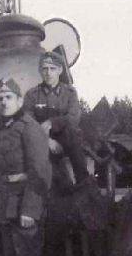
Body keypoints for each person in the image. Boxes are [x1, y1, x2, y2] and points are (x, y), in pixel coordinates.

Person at [0, 77, 52, 256]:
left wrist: (30, 209)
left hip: (26, 204)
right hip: (8, 204)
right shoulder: (2, 129)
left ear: (19, 101)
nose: (4, 102)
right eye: (0, 98)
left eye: (8, 97)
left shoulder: (29, 127)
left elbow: (40, 171)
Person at [24, 51, 89, 189]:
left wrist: (51, 123)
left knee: (74, 135)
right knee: (56, 184)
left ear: (60, 70)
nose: (48, 73)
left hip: (67, 141)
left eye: (52, 69)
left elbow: (73, 118)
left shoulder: (70, 93)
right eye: (44, 69)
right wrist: (47, 141)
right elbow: (28, 123)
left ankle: (83, 183)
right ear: (40, 70)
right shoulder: (32, 95)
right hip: (41, 142)